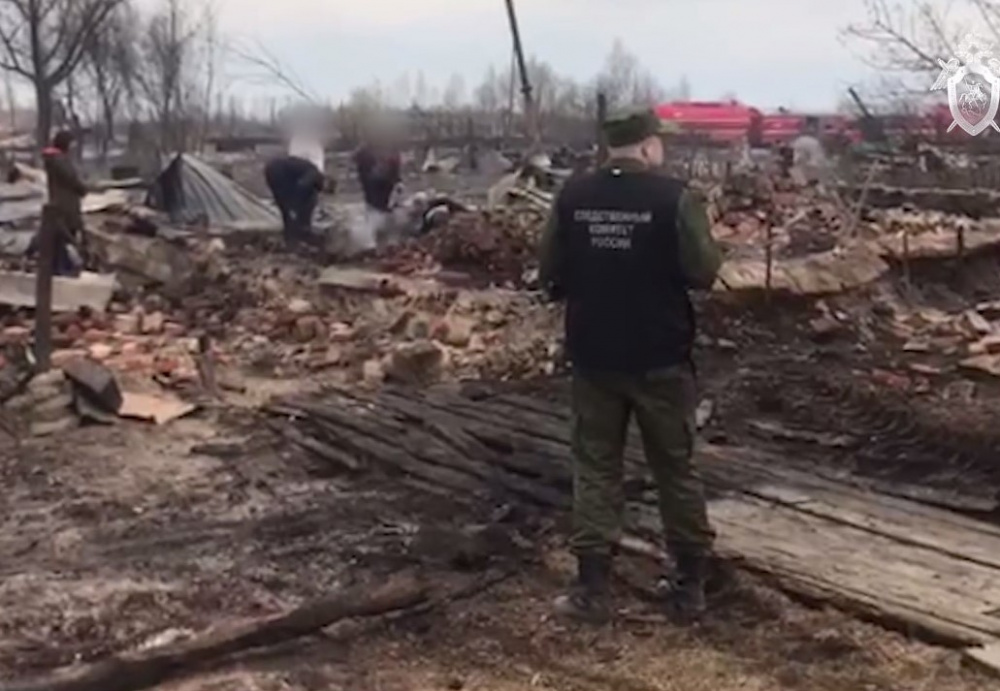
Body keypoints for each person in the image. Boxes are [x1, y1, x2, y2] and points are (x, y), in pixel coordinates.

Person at [538, 108, 723, 625]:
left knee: (596, 466)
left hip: (595, 355)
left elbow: (548, 270)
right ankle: (689, 586)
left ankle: (592, 588)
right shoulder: (675, 199)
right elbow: (705, 272)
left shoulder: (573, 197)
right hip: (661, 356)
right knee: (675, 468)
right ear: (645, 146)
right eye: (658, 142)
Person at [33, 130, 87, 275]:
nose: (74, 147)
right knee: (65, 239)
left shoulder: (56, 160)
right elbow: (71, 178)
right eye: (72, 143)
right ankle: (63, 270)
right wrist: (82, 188)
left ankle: (60, 269)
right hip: (66, 206)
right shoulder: (59, 160)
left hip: (63, 204)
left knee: (61, 240)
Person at [264, 153, 324, 247]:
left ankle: (290, 237)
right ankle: (295, 238)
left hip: (272, 169)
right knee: (289, 208)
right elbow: (302, 186)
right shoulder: (314, 173)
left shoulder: (310, 171)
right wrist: (295, 206)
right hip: (278, 171)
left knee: (285, 207)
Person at [791, 116, 829, 186]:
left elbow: (796, 157)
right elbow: (817, 159)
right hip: (811, 167)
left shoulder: (798, 141)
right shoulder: (814, 142)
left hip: (803, 168)